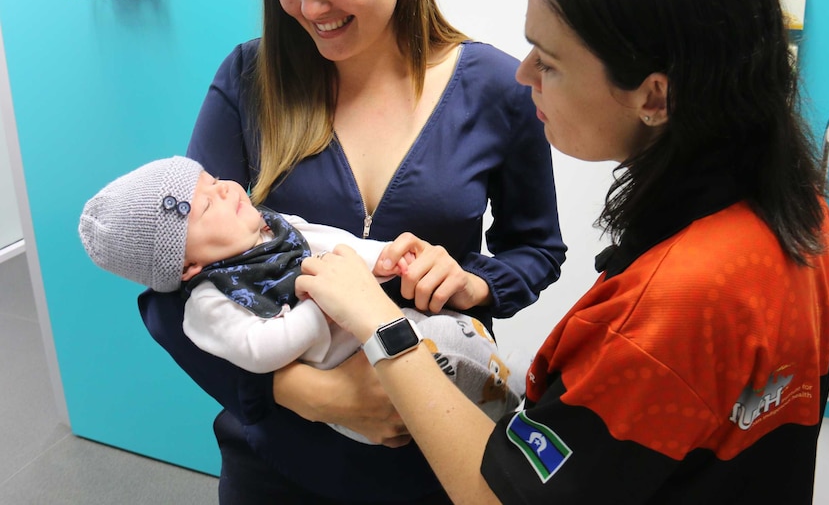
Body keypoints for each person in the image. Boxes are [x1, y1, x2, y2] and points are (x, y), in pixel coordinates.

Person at [295, 0, 829, 503]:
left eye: (550, 63)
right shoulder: (802, 215)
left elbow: (497, 497)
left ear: (654, 98)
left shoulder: (672, 304)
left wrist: (378, 322)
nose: (524, 74)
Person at [136, 0, 567, 503]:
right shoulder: (249, 81)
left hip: (431, 453)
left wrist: (472, 282)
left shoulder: (498, 89)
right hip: (277, 462)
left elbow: (537, 250)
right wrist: (307, 394)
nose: (310, 9)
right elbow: (167, 292)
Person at [80, 156, 524, 444]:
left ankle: (511, 391)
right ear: (186, 267)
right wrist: (325, 302)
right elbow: (259, 351)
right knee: (443, 349)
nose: (225, 191)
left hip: (379, 327)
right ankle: (507, 404)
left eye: (213, 181)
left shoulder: (273, 226)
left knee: (458, 333)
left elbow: (335, 244)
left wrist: (382, 259)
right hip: (346, 377)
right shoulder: (209, 302)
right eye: (203, 207)